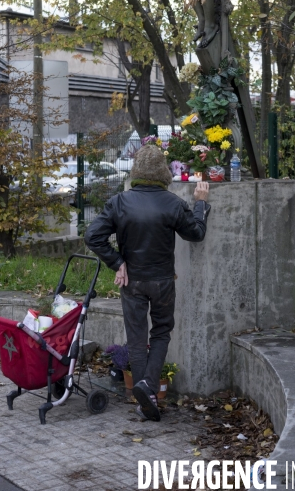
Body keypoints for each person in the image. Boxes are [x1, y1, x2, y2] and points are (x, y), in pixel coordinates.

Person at [85, 145, 211, 421]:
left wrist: (118, 262)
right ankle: (148, 389)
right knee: (162, 332)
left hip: (132, 282)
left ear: (136, 172)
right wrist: (200, 202)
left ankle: (143, 397)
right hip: (163, 281)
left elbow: (92, 237)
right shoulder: (173, 203)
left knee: (137, 339)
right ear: (164, 174)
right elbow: (197, 234)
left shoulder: (119, 202)